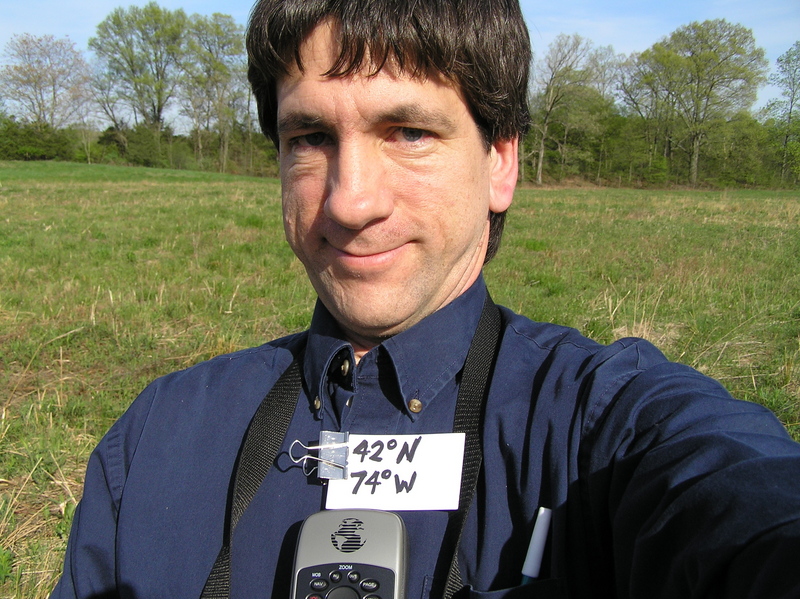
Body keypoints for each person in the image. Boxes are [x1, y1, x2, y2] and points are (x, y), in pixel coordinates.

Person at [52, 1, 800, 598]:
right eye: (310, 137)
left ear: (500, 160)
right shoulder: (158, 440)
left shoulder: (597, 424)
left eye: (407, 131)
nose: (350, 202)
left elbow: (743, 499)